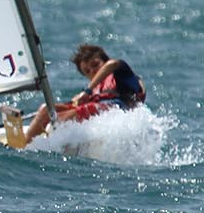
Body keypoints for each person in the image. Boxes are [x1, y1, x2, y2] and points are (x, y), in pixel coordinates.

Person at [16, 44, 146, 144]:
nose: (93, 70)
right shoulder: (94, 91)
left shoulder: (121, 73)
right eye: (87, 71)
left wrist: (87, 91)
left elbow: (113, 64)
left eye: (96, 64)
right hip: (95, 110)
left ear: (105, 61)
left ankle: (53, 144)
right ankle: (26, 145)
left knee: (66, 116)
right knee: (48, 109)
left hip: (118, 110)